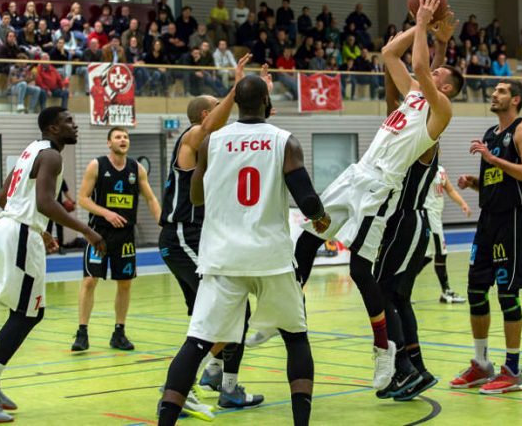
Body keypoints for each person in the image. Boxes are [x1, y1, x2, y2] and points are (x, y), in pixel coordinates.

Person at [277, 0, 464, 393]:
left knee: (370, 277)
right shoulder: (414, 95)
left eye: (438, 67)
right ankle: (288, 308)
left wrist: (423, 20)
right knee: (311, 235)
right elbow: (389, 53)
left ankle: (393, 356)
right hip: (357, 177)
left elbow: (417, 67)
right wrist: (424, 29)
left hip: (386, 195)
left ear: (444, 85)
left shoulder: (440, 109)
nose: (431, 64)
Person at [157, 74, 331, 426]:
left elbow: (196, 196)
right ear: (267, 103)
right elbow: (307, 199)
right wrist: (321, 218)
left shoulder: (211, 142)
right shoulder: (285, 141)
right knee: (296, 339)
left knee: (196, 343)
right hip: (271, 258)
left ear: (236, 103)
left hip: (223, 256)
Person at [0, 107, 105, 423]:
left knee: (24, 312)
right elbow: (44, 202)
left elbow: (4, 197)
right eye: (69, 121)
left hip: (10, 229)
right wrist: (87, 230)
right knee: (28, 314)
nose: (75, 124)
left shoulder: (31, 150)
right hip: (19, 234)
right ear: (54, 128)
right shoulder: (52, 156)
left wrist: (40, 229)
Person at [158, 55, 264, 420]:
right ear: (206, 116)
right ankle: (186, 385)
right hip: (184, 235)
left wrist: (257, 95)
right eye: (220, 108)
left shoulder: (216, 144)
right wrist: (236, 86)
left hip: (194, 238)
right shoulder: (192, 137)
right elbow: (214, 126)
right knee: (233, 310)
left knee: (213, 317)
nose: (227, 111)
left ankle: (219, 379)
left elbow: (253, 129)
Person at [450, 80, 522, 394]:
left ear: (515, 99)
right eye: (494, 91)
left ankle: (513, 370)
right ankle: (481, 364)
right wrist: (474, 181)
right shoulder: (491, 135)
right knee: (475, 290)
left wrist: (493, 159)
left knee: (507, 294)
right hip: (487, 220)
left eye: (501, 91)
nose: (494, 94)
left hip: (513, 220)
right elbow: (496, 179)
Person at [72, 127, 161, 352]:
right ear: (109, 143)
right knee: (90, 280)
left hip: (125, 236)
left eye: (126, 137)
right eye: (118, 137)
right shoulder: (97, 165)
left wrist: (163, 223)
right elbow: (82, 199)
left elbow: (150, 198)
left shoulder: (136, 168)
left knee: (124, 283)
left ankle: (119, 332)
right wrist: (107, 213)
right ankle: (82, 332)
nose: (123, 140)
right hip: (98, 233)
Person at [423, 164, 471, 303]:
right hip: (428, 214)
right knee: (441, 253)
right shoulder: (423, 168)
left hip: (437, 215)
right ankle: (446, 291)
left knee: (426, 256)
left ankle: (402, 287)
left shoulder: (440, 170)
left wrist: (463, 203)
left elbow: (449, 189)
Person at [46, 179, 75, 253]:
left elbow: (66, 192)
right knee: (48, 228)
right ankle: (47, 247)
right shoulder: (47, 179)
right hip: (48, 206)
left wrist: (72, 201)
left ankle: (60, 247)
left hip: (58, 207)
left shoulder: (61, 179)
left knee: (59, 226)